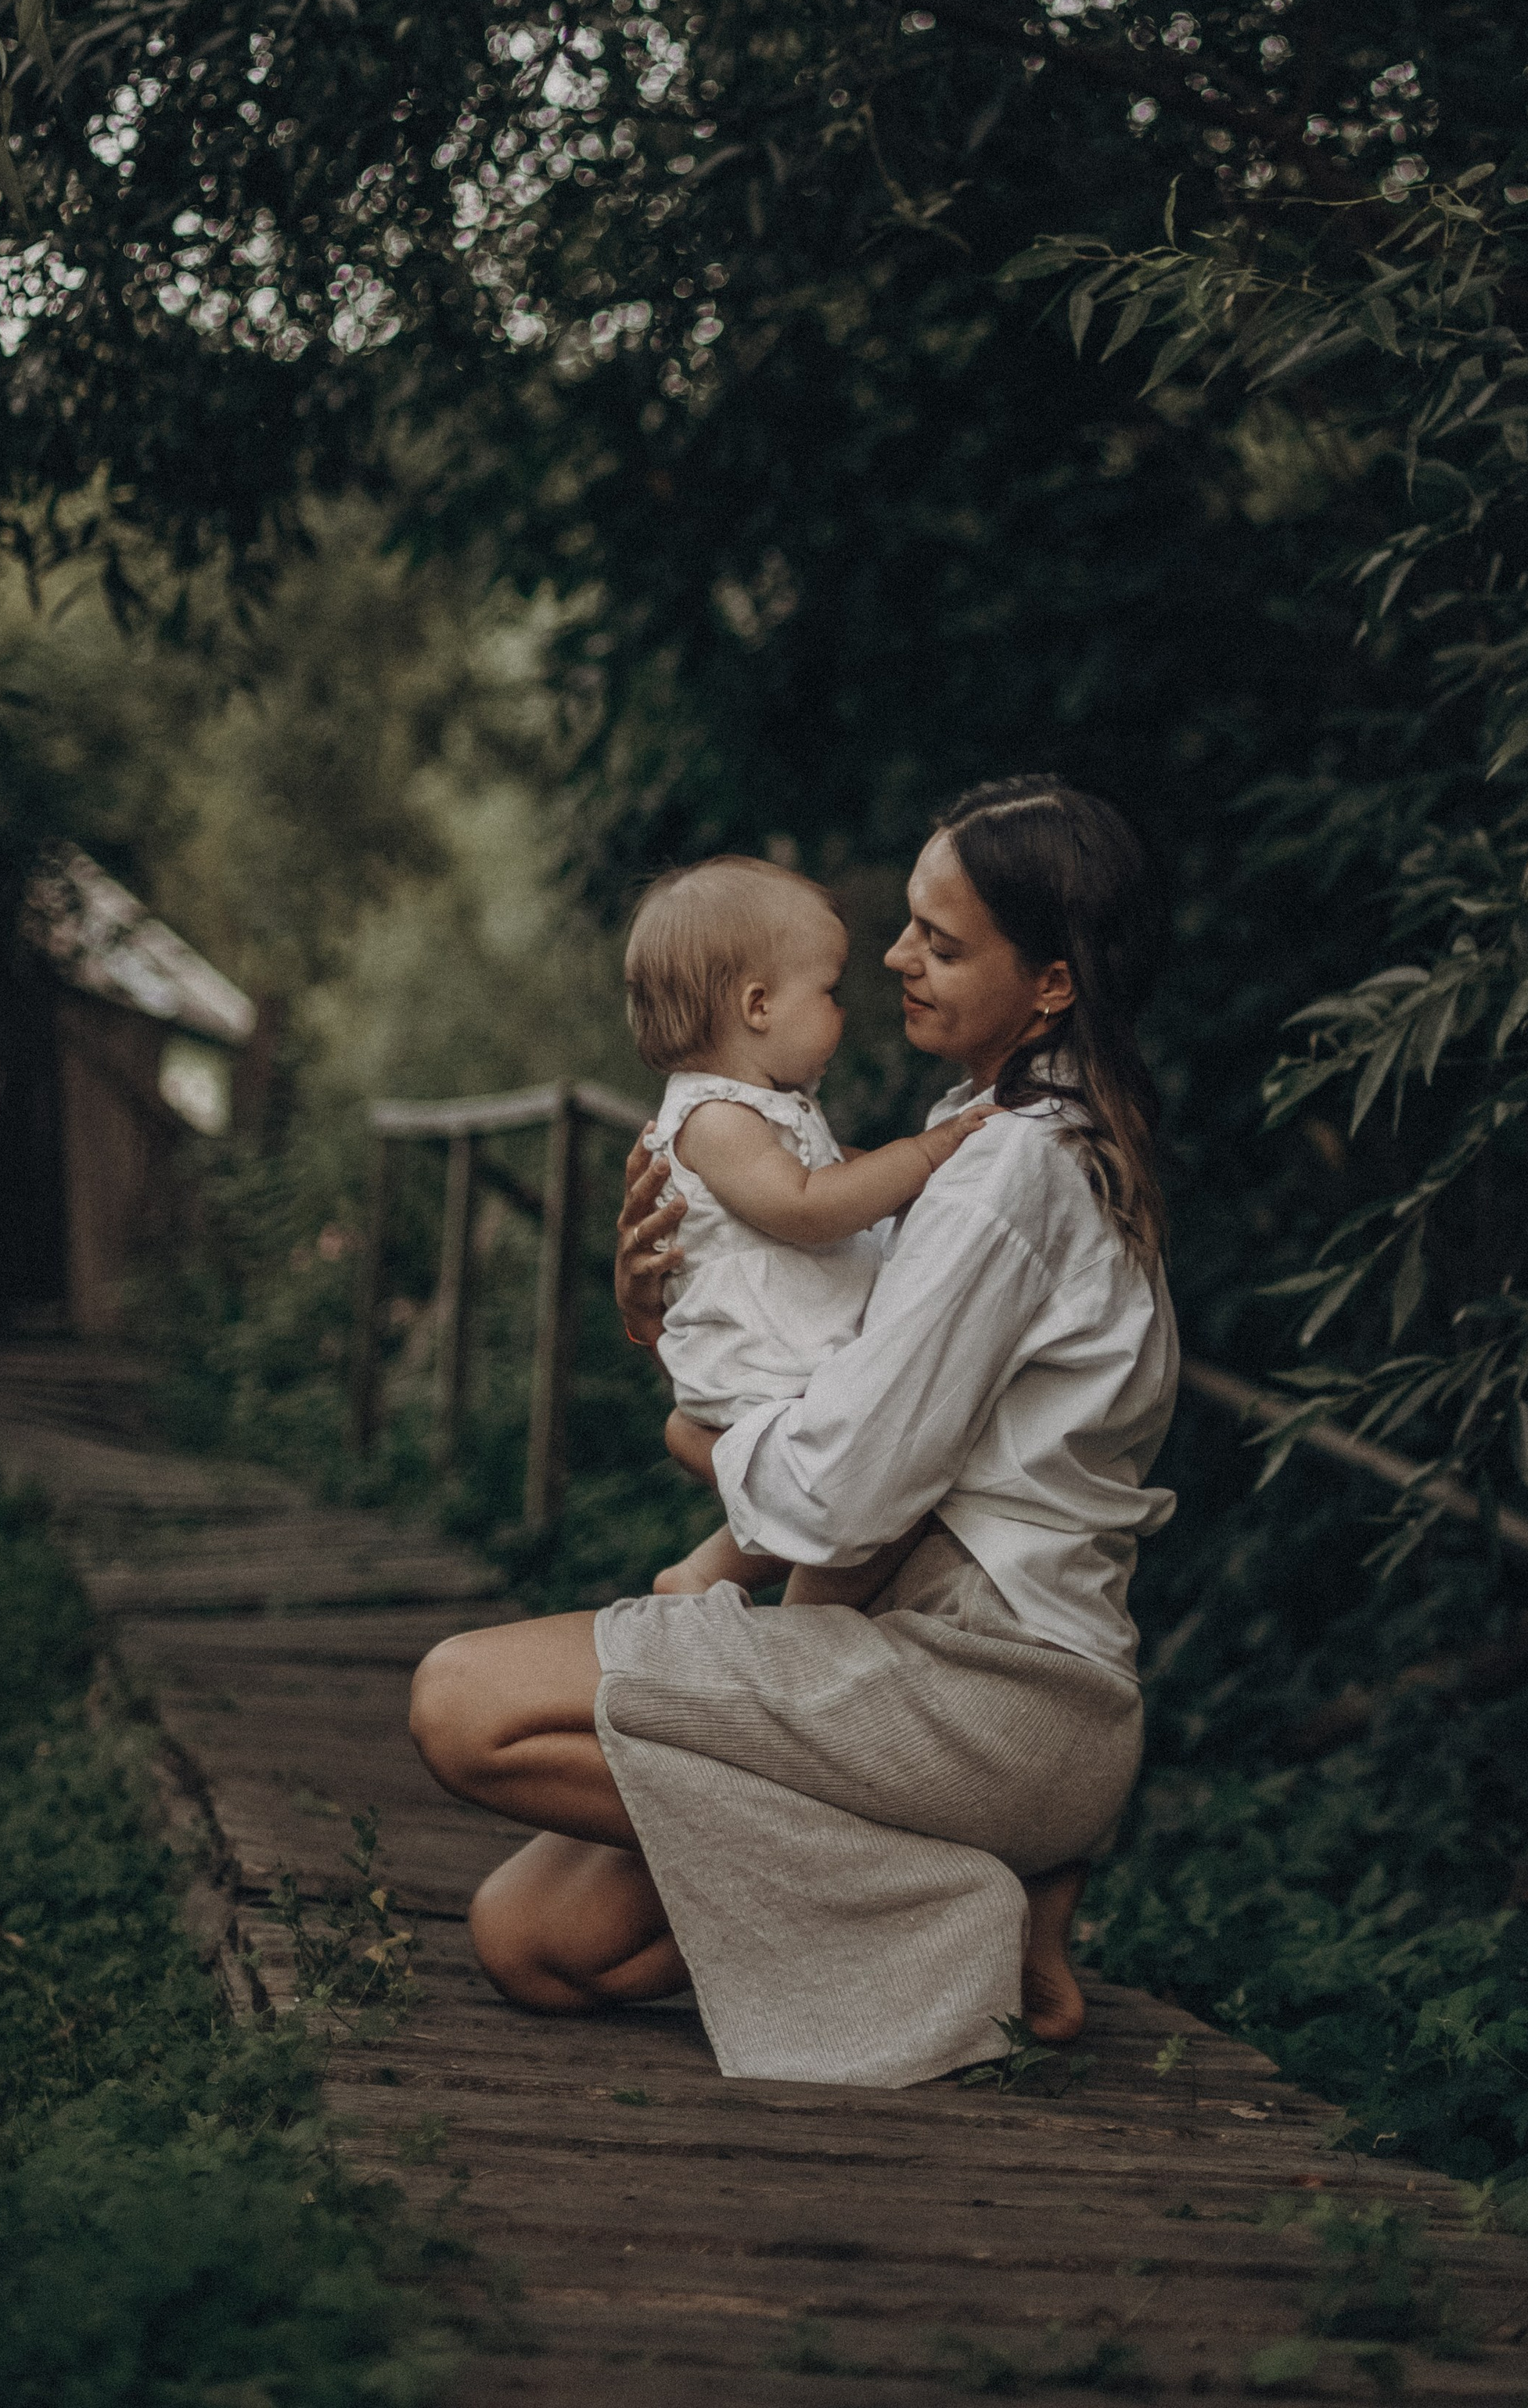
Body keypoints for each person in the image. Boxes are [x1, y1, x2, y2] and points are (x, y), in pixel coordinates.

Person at [408, 775, 1180, 2088]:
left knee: (464, 1705)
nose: (894, 957)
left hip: (997, 1691)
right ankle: (969, 1893)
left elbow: (840, 1499)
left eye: (940, 940)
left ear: (1051, 985)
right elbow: (829, 1364)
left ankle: (986, 1895)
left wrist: (690, 1442)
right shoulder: (979, 1139)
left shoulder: (1013, 1169)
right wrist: (665, 1309)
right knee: (535, 1939)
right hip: (905, 1669)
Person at [622, 851, 989, 1602]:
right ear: (758, 1007)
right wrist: (923, 1155)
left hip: (793, 1369)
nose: (844, 1011)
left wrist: (899, 1180)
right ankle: (791, 1629)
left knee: (858, 1504)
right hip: (767, 1371)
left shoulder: (764, 1107)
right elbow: (808, 1205)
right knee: (869, 1497)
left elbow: (830, 1170)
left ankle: (699, 1581)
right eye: (827, 991)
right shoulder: (716, 1118)